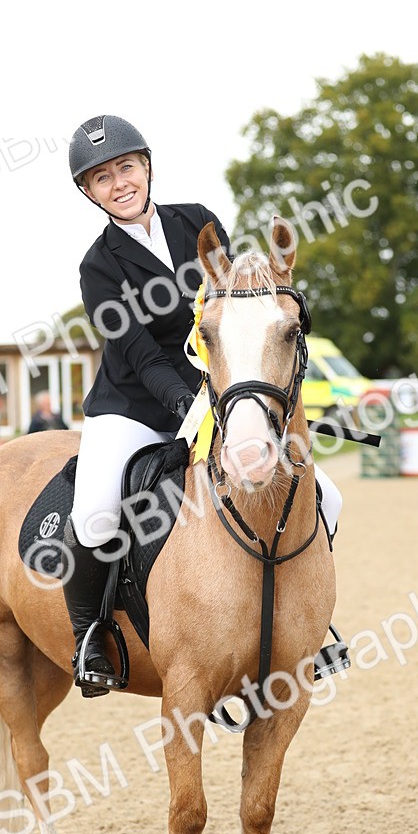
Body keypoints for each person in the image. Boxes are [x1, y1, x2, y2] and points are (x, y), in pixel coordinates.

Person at [64, 114, 347, 697]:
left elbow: (238, 311)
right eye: (101, 178)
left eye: (125, 167)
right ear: (89, 193)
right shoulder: (99, 265)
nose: (119, 183)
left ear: (145, 166)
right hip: (133, 406)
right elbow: (138, 353)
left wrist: (242, 390)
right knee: (94, 513)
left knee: (330, 498)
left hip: (221, 393)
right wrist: (190, 402)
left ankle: (304, 627)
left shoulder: (199, 223)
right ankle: (91, 635)